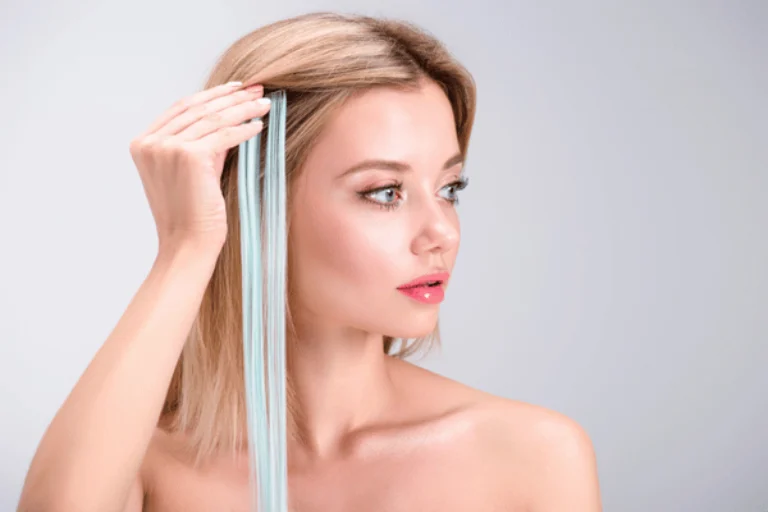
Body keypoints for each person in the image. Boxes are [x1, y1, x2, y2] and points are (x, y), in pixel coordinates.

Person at [18, 11, 601, 512]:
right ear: (257, 203)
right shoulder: (146, 465)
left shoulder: (530, 456)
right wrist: (186, 247)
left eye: (450, 187)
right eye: (384, 192)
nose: (441, 232)